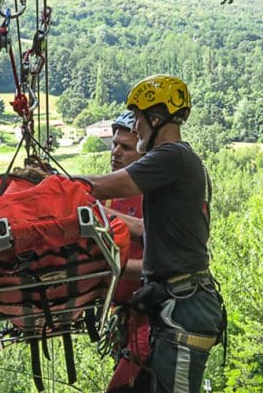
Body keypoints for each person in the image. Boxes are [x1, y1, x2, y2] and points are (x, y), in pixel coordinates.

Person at [80, 75, 225, 393]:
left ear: (156, 119)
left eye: (139, 121)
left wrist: (60, 185)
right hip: (176, 306)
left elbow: (108, 183)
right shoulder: (177, 162)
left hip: (183, 308)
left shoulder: (171, 155)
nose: (136, 129)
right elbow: (148, 231)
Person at [103, 111, 152, 392]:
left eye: (126, 147)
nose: (116, 152)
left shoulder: (159, 194)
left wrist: (113, 267)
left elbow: (161, 262)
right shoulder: (115, 193)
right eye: (114, 144)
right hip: (128, 323)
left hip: (154, 323)